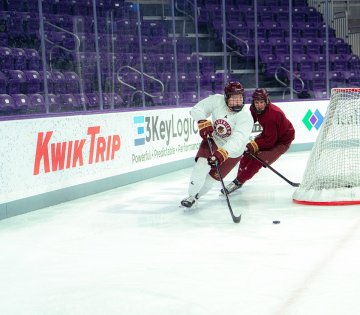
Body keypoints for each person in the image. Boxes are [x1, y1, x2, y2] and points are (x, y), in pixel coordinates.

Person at [180, 81, 254, 208]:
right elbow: (196, 109)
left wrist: (223, 152)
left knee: (211, 179)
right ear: (226, 97)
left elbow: (238, 140)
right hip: (214, 140)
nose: (237, 102)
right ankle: (191, 195)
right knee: (201, 165)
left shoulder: (246, 116)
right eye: (234, 99)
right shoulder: (216, 101)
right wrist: (203, 121)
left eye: (240, 99)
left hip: (233, 152)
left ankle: (197, 196)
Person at [222, 88, 295, 194]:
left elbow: (270, 142)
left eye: (261, 102)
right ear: (253, 102)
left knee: (259, 159)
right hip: (269, 135)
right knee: (247, 154)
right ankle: (240, 178)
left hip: (282, 141)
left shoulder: (273, 114)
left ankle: (238, 182)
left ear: (266, 101)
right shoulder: (253, 109)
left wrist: (251, 146)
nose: (259, 105)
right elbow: (247, 123)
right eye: (256, 102)